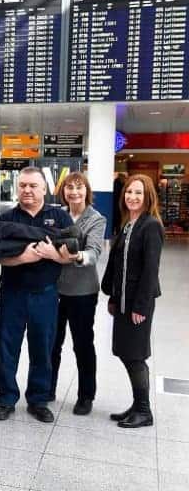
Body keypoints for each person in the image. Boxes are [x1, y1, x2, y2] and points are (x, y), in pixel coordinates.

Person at [0, 167, 74, 424]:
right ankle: (6, 398)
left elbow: (72, 253)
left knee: (43, 347)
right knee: (7, 347)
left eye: (33, 186)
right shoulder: (6, 218)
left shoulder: (59, 217)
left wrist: (55, 256)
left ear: (44, 188)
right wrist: (22, 258)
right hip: (12, 294)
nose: (27, 190)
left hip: (45, 295)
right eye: (23, 185)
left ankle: (38, 399)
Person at [101, 174, 164, 428]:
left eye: (138, 193)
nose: (132, 197)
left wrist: (140, 307)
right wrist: (113, 297)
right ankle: (137, 405)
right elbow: (119, 265)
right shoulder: (128, 224)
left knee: (135, 356)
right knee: (125, 352)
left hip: (138, 304)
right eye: (129, 192)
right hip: (123, 302)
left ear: (147, 196)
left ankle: (144, 410)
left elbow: (151, 270)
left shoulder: (151, 226)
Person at [50, 172, 106, 416]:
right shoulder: (56, 214)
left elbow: (94, 251)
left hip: (82, 291)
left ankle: (86, 395)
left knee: (82, 344)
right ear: (63, 191)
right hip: (53, 289)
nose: (74, 192)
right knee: (52, 343)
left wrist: (77, 256)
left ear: (87, 191)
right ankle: (47, 388)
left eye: (79, 187)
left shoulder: (96, 218)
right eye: (69, 187)